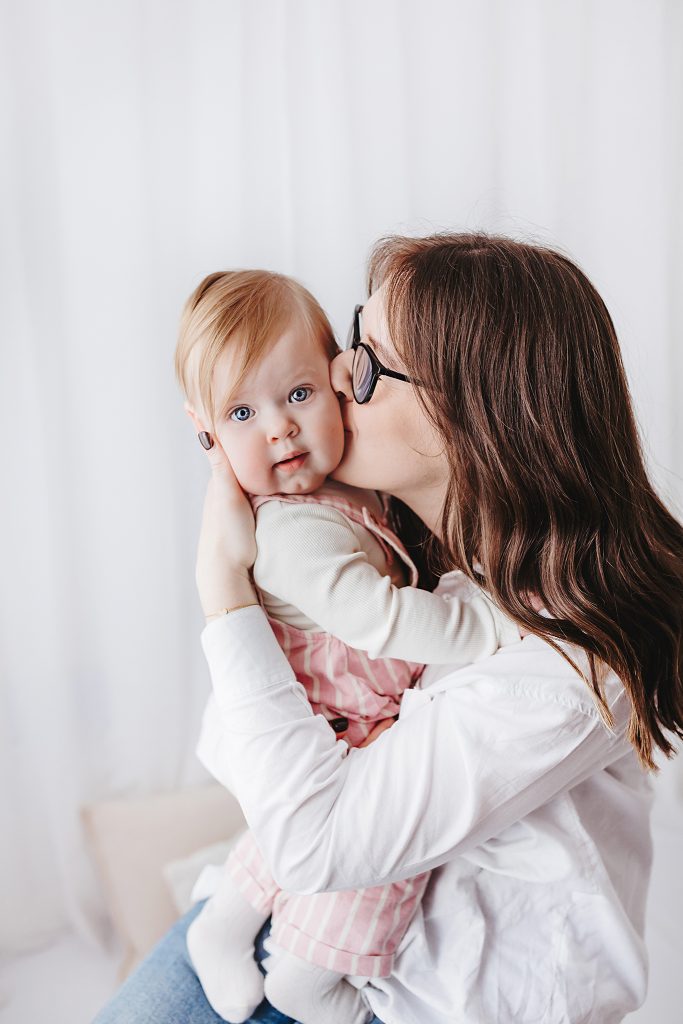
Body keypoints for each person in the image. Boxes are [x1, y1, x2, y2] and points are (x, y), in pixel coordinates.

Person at [95, 232, 683, 1024]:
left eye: (367, 361)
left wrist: (223, 595)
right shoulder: (375, 531)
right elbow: (231, 748)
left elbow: (311, 834)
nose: (333, 373)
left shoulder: (563, 657)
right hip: (290, 919)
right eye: (349, 336)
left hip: (399, 992)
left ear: (473, 416)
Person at [174, 269, 520, 1024]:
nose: (278, 428)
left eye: (297, 393)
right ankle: (302, 977)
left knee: (293, 830)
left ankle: (228, 927)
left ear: (336, 378)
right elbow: (382, 620)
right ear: (205, 434)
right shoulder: (291, 529)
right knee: (360, 863)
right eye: (241, 412)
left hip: (349, 724)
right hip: (342, 721)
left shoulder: (343, 491)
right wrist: (489, 627)